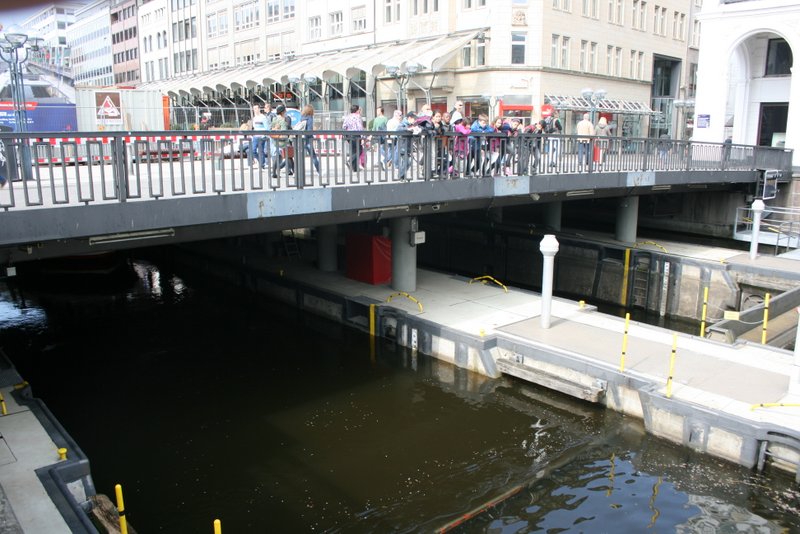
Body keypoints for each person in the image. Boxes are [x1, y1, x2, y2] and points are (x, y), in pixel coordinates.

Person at [396, 111, 421, 181]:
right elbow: (398, 129)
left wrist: (417, 131)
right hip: (402, 146)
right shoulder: (403, 123)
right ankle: (400, 176)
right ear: (409, 118)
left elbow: (414, 136)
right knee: (407, 162)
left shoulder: (412, 124)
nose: (415, 120)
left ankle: (402, 176)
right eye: (414, 119)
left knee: (406, 162)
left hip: (408, 146)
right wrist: (408, 129)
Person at [299, 104, 321, 175]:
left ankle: (296, 171)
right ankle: (318, 171)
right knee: (313, 156)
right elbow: (309, 130)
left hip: (301, 138)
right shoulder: (310, 118)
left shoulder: (302, 117)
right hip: (308, 139)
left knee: (299, 156)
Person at [342, 104, 364, 171]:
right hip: (356, 135)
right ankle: (350, 160)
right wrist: (362, 137)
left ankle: (354, 168)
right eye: (358, 110)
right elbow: (360, 127)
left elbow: (344, 126)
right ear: (357, 110)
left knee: (353, 151)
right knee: (359, 150)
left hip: (349, 135)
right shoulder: (358, 116)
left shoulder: (347, 117)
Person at [269, 105, 288, 179]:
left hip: (274, 140)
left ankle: (274, 172)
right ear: (282, 112)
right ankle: (294, 171)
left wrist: (275, 129)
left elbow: (271, 128)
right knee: (286, 156)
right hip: (282, 142)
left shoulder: (274, 119)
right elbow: (284, 132)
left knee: (278, 157)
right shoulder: (283, 120)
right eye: (285, 111)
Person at [250, 104, 267, 168]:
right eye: (254, 109)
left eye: (256, 108)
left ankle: (262, 164)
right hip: (255, 136)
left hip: (261, 136)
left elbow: (266, 127)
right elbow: (254, 127)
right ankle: (261, 162)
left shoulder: (263, 117)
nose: (255, 110)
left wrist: (264, 135)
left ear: (259, 109)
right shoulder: (254, 118)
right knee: (253, 150)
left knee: (261, 150)